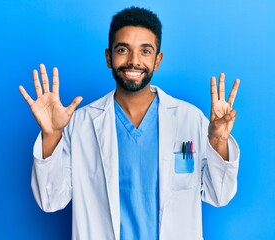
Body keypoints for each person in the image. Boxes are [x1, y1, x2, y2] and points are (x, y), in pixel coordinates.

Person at [19, 6, 240, 240]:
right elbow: (50, 199)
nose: (134, 61)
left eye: (145, 51)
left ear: (157, 60)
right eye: (123, 49)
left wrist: (218, 142)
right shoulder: (81, 124)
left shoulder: (188, 119)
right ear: (108, 57)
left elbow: (220, 195)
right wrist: (52, 135)